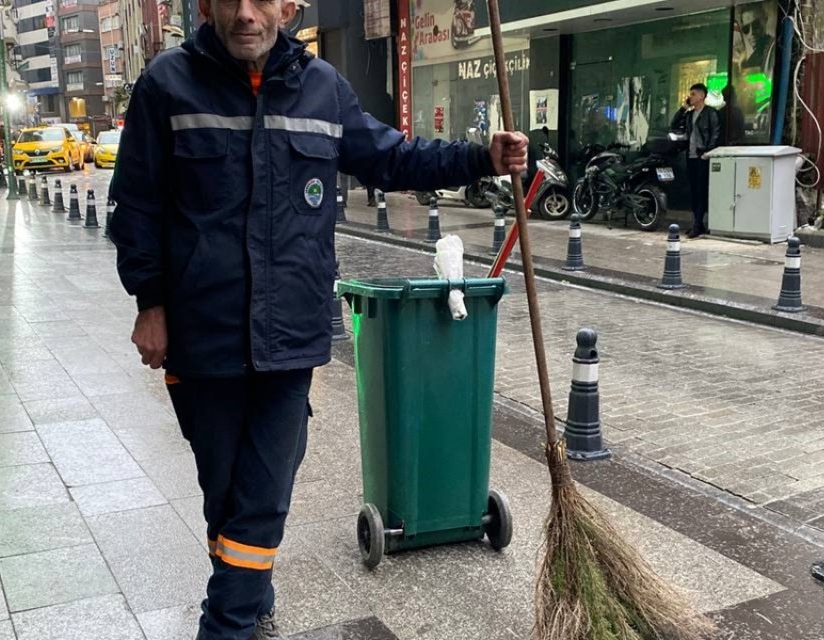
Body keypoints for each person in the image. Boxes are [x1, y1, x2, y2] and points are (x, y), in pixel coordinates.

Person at [106, 2, 528, 639]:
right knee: (225, 494)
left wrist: (479, 159)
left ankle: (227, 625)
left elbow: (393, 157)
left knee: (263, 496)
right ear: (206, 5)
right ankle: (254, 589)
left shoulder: (323, 87)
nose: (246, 15)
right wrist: (150, 303)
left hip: (290, 335)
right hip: (202, 334)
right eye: (231, 0)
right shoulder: (166, 84)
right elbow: (135, 204)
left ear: (287, 6)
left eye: (261, 1)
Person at [671, 83, 721, 238]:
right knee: (693, 191)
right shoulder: (689, 114)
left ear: (701, 96)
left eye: (693, 94)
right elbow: (674, 124)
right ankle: (698, 223)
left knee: (701, 190)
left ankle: (698, 224)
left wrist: (708, 152)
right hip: (691, 156)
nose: (690, 97)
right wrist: (684, 107)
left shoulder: (710, 113)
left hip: (702, 156)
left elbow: (715, 134)